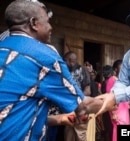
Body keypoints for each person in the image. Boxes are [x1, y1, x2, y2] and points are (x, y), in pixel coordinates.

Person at [0, 1, 102, 140]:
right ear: (34, 23)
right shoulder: (44, 56)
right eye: (47, 22)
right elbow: (82, 106)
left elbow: (17, 110)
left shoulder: (3, 48)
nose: (51, 27)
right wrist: (113, 99)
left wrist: (59, 119)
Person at [63, 51, 94, 141]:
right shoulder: (65, 71)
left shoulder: (82, 70)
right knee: (69, 135)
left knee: (80, 135)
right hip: (69, 110)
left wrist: (74, 100)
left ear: (68, 60)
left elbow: (88, 92)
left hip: (80, 109)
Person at [106, 59, 130, 141]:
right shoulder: (111, 80)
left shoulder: (123, 81)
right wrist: (113, 113)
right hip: (117, 110)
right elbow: (110, 98)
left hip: (125, 109)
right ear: (116, 69)